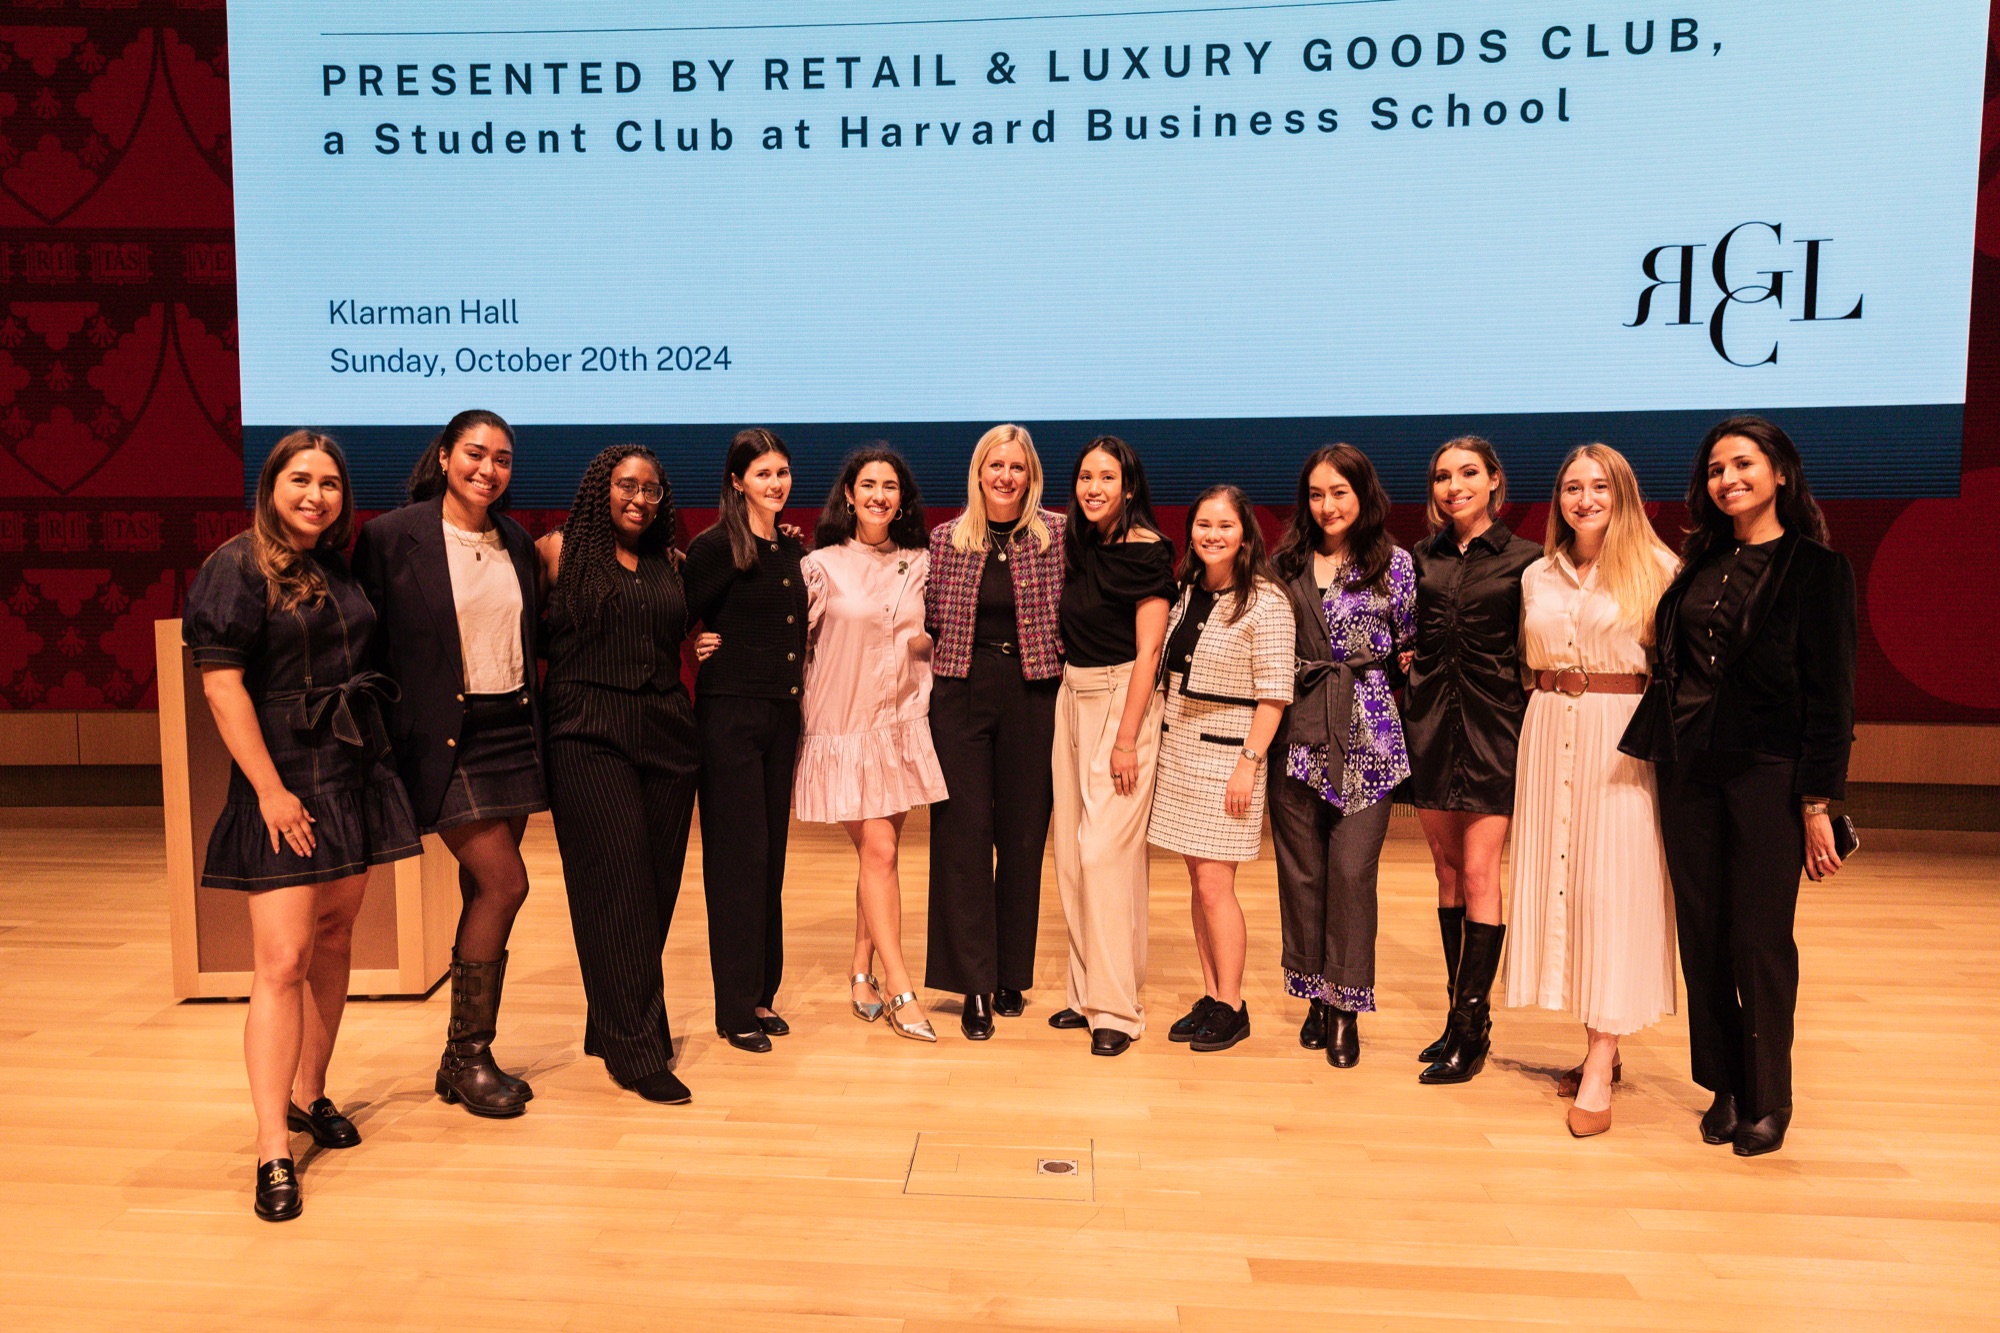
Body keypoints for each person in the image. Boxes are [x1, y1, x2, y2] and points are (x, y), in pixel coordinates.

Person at [185, 432, 422, 1221]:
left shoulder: (336, 566)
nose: (316, 495)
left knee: (334, 935)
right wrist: (270, 791)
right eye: (300, 478)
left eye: (329, 482)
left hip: (352, 767)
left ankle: (310, 1093)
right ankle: (271, 1148)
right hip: (283, 772)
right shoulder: (235, 565)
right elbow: (222, 689)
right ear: (270, 485)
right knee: (282, 959)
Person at [1620, 416, 1856, 1157]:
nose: (1729, 479)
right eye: (1717, 468)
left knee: (1760, 938)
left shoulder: (1817, 569)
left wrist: (1817, 803)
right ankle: (1722, 1085)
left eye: (1744, 464)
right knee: (1704, 936)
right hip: (1687, 767)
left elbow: (1833, 698)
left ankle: (1769, 1096)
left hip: (1768, 773)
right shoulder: (1697, 563)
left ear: (1780, 472)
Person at [353, 410, 545, 1119]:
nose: (488, 469)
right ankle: (469, 1056)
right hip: (445, 739)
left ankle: (458, 1061)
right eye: (474, 453)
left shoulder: (515, 540)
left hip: (512, 729)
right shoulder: (390, 537)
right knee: (506, 883)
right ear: (443, 456)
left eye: (502, 458)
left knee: (480, 891)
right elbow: (365, 646)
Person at [1505, 444, 1680, 1138]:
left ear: (1623, 494)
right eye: (1572, 487)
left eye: (1600, 486)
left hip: (1621, 736)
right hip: (1549, 728)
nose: (1585, 499)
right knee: (1569, 891)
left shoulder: (1659, 569)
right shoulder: (1536, 575)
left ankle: (1602, 1065)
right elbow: (1527, 661)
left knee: (1612, 891)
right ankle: (1599, 1045)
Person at [536, 445, 699, 1106]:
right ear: (601, 487)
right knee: (618, 884)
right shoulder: (557, 552)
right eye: (627, 485)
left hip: (666, 732)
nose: (639, 498)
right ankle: (638, 1049)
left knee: (655, 888)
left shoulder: (671, 563)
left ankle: (609, 1022)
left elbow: (689, 631)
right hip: (586, 731)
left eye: (651, 488)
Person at [792, 447, 948, 1041]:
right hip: (841, 726)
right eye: (868, 485)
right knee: (879, 851)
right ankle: (902, 988)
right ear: (849, 496)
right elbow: (788, 638)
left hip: (901, 724)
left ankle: (861, 971)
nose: (879, 495)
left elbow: (937, 635)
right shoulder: (821, 566)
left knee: (877, 857)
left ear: (902, 499)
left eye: (890, 486)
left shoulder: (922, 563)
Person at [1268, 445, 1416, 1069]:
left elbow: (1409, 645)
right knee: (1302, 873)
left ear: (1363, 495)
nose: (1327, 505)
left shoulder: (1396, 564)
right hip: (1297, 734)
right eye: (1316, 494)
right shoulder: (1282, 566)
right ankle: (1313, 993)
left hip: (1369, 739)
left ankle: (1346, 1005)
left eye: (1339, 492)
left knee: (1352, 874)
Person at [1403, 435, 1540, 1085]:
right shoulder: (1418, 560)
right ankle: (1455, 1014)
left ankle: (1473, 1029)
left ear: (1494, 481)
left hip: (1494, 728)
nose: (1453, 486)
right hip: (1429, 724)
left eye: (1467, 473)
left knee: (1482, 871)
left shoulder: (1528, 560)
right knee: (1447, 870)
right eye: (1441, 476)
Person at [923, 424, 1065, 1040]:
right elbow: (921, 615)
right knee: (963, 836)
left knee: (1024, 836)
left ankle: (1011, 973)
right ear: (978, 473)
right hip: (961, 689)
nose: (1005, 477)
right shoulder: (945, 539)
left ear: (1031, 477)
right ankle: (974, 984)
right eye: (995, 465)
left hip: (1035, 692)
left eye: (1017, 467)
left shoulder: (1057, 536)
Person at [1148, 485, 1294, 1053]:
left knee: (1216, 885)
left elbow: (1274, 695)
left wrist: (1248, 764)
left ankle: (1232, 1004)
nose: (1212, 535)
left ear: (1246, 535)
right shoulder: (1186, 590)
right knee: (1198, 881)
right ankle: (1211, 995)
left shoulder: (1267, 601)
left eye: (1225, 525)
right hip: (1180, 749)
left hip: (1230, 756)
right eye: (1203, 525)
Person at [1047, 436, 1178, 1057]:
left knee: (1104, 855)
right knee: (1073, 857)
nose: (1093, 488)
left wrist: (1126, 739)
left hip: (1124, 702)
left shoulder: (1149, 551)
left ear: (1129, 487)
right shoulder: (1080, 545)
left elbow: (1149, 652)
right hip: (1071, 698)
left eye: (1106, 477)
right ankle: (1087, 992)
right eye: (1085, 477)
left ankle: (1118, 1012)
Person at [682, 428, 809, 1053]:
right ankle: (734, 1009)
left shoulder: (790, 547)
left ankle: (761, 994)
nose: (775, 484)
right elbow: (671, 616)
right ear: (737, 482)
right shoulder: (713, 547)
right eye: (763, 474)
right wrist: (696, 643)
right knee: (737, 862)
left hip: (781, 718)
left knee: (769, 860)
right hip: (729, 717)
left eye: (782, 472)